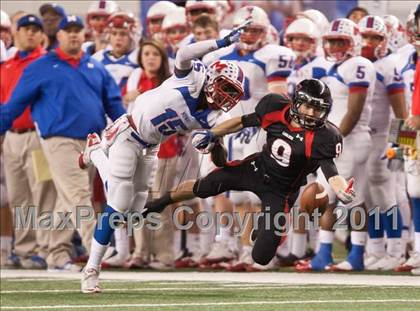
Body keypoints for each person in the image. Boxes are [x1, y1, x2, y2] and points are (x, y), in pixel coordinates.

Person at [80, 22, 249, 293]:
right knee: (118, 200)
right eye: (224, 88)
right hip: (128, 132)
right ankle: (91, 269)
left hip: (151, 146)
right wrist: (220, 43)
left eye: (231, 94)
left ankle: (96, 152)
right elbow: (183, 53)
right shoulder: (191, 77)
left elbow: (220, 158)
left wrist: (214, 141)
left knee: (134, 215)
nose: (224, 98)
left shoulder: (217, 117)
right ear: (212, 79)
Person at [143, 79, 355, 268]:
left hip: (281, 190)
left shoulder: (325, 136)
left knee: (261, 256)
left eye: (317, 110)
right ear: (296, 102)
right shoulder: (275, 108)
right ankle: (160, 201)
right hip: (256, 168)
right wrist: (213, 133)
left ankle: (278, 232)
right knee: (206, 185)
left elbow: (331, 172)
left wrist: (341, 189)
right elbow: (241, 122)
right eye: (308, 106)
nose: (311, 114)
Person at [0, 15, 126, 271]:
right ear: (57, 36)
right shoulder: (41, 66)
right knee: (79, 194)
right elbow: (15, 104)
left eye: (77, 30)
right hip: (58, 140)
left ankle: (56, 255)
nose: (73, 35)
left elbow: (113, 102)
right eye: (67, 31)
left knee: (65, 199)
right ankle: (97, 248)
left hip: (92, 141)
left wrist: (129, 130)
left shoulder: (94, 66)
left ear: (84, 35)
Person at [296, 18, 376, 272]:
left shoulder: (358, 65)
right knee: (355, 199)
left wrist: (332, 140)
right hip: (350, 141)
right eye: (330, 41)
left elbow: (353, 111)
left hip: (347, 140)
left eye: (340, 41)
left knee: (324, 196)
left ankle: (323, 253)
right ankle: (357, 254)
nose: (334, 46)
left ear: (352, 42)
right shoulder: (328, 66)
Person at [1, 14, 58, 269]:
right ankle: (25, 249)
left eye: (36, 29)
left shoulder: (47, 62)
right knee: (18, 196)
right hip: (11, 137)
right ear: (16, 32)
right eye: (26, 29)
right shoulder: (7, 64)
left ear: (42, 34)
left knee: (43, 194)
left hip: (37, 135)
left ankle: (44, 249)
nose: (31, 34)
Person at [357, 15, 407, 271]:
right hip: (364, 136)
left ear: (384, 40)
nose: (367, 42)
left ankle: (396, 248)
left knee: (385, 194)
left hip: (384, 136)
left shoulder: (389, 66)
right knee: (366, 194)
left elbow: (402, 112)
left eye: (374, 37)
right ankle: (375, 248)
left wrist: (400, 147)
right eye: (364, 36)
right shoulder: (353, 64)